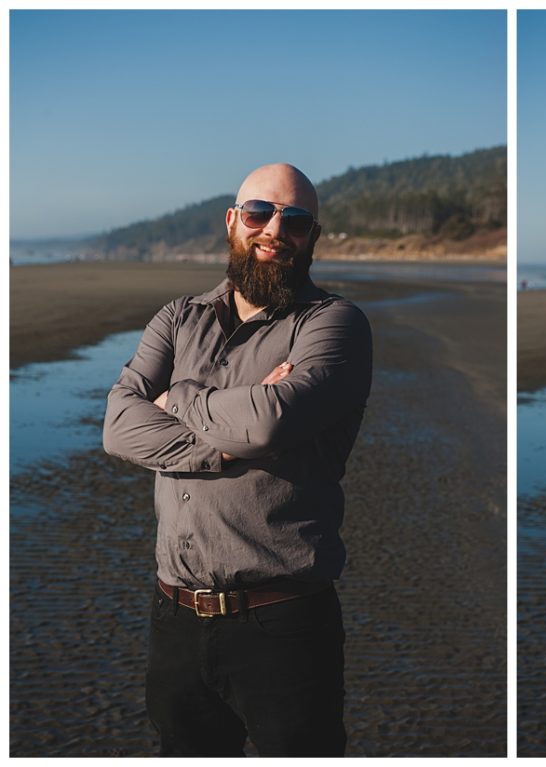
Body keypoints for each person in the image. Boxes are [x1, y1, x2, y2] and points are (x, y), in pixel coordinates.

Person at [103, 163, 372, 757]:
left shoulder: (333, 324)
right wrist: (230, 434)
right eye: (260, 213)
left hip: (284, 623)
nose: (275, 229)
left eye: (295, 220)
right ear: (233, 221)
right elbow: (119, 428)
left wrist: (179, 400)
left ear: (312, 236)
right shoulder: (178, 318)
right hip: (174, 616)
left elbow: (271, 420)